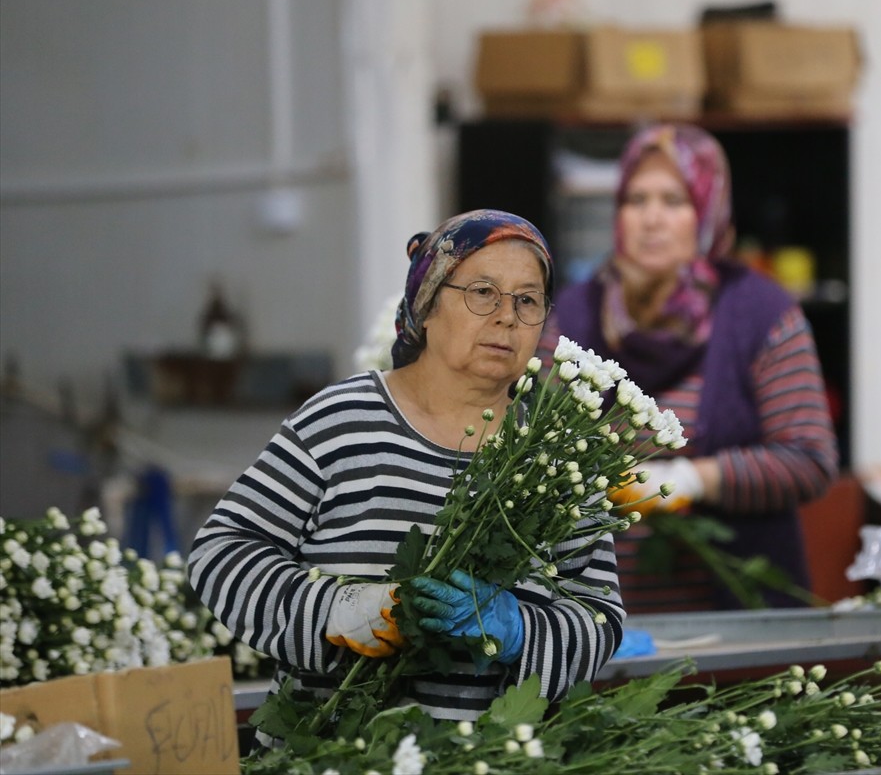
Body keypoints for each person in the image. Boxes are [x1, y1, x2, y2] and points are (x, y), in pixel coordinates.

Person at [188, 210, 624, 740]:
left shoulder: (557, 456)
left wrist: (518, 629)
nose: (507, 317)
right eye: (483, 292)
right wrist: (339, 610)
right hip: (323, 754)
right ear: (428, 302)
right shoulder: (341, 420)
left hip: (484, 758)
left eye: (527, 300)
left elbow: (599, 618)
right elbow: (221, 553)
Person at [538, 124, 839, 612]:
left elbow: (808, 459)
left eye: (674, 200)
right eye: (636, 200)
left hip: (737, 621)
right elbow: (536, 450)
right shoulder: (573, 316)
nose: (651, 219)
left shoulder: (761, 313)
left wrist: (693, 480)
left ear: (708, 210)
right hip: (600, 623)